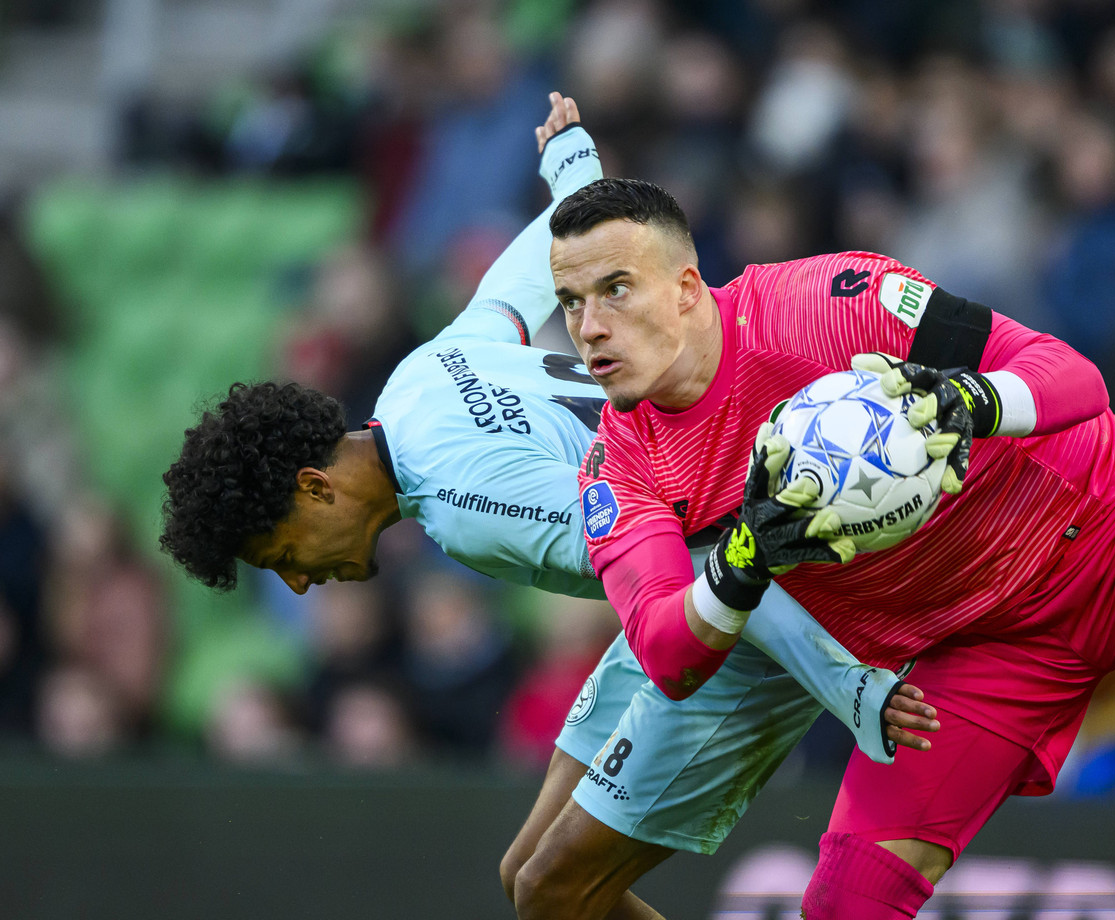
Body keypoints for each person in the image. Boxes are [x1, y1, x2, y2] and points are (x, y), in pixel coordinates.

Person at [159, 94, 934, 920]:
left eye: (283, 558)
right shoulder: (418, 381)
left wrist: (851, 688)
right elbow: (536, 267)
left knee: (552, 890)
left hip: (755, 592)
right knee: (527, 876)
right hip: (692, 578)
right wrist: (571, 165)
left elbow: (706, 545)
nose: (304, 587)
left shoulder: (461, 504)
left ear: (314, 489)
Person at [549, 176, 1115, 919]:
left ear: (689, 287)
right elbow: (667, 651)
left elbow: (1072, 377)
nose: (590, 328)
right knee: (845, 907)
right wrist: (739, 564)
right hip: (976, 651)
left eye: (615, 290)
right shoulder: (619, 470)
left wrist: (970, 400)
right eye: (572, 301)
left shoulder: (829, 298)